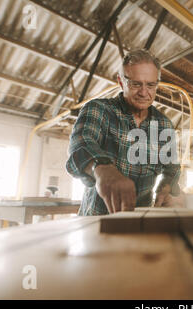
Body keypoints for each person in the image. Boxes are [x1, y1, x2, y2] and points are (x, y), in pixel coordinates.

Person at [66, 49, 182, 215]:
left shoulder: (164, 125)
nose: (144, 92)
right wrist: (102, 169)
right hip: (96, 220)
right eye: (136, 84)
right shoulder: (99, 110)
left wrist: (166, 187)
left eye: (150, 85)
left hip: (139, 221)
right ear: (121, 82)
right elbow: (81, 143)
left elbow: (172, 169)